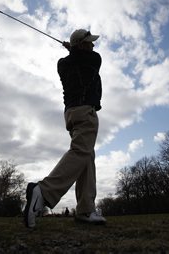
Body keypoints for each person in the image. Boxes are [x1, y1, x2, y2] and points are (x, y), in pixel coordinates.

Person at [23, 29, 106, 228]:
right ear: (81, 45)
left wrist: (72, 50)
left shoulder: (64, 62)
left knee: (87, 156)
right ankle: (44, 191)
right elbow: (90, 58)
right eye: (89, 42)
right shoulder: (90, 60)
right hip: (85, 111)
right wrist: (74, 50)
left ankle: (86, 210)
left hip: (71, 113)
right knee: (80, 152)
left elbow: (79, 58)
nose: (93, 45)